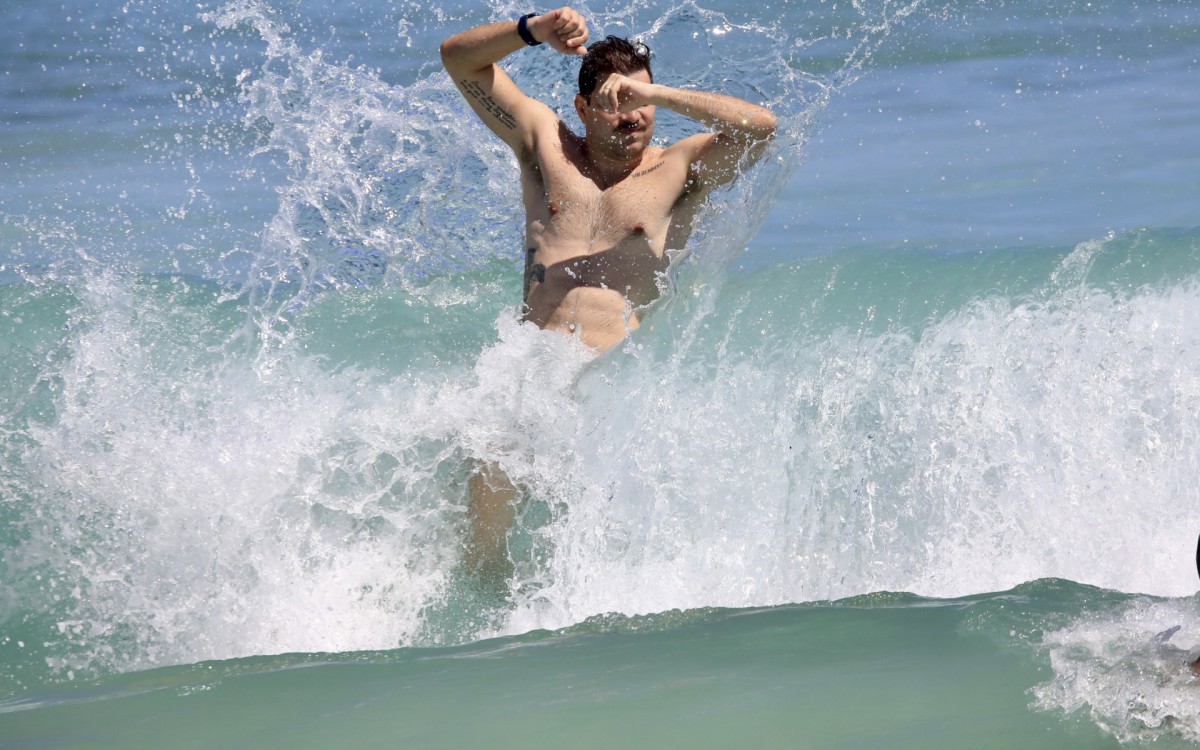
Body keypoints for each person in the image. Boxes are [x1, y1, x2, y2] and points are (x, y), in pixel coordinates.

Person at [440, 7, 777, 578]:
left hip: (616, 381)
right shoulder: (545, 146)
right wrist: (534, 31)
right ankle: (486, 608)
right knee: (490, 482)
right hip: (535, 368)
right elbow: (458, 59)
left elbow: (761, 129)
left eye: (639, 104)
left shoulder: (679, 168)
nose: (630, 115)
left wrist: (658, 93)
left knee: (598, 553)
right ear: (582, 108)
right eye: (614, 102)